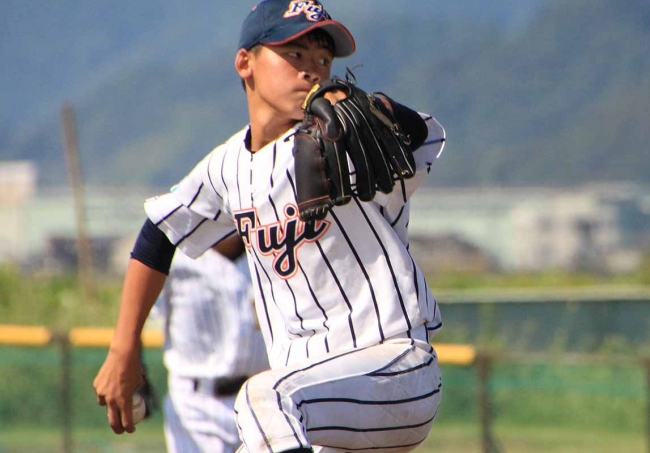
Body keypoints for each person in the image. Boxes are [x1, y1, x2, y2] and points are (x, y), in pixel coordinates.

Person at [94, 1, 447, 452]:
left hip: (391, 368)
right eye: (294, 54)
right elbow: (158, 234)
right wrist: (123, 348)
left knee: (264, 399)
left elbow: (422, 135)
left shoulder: (346, 137)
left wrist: (378, 106)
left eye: (323, 59)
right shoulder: (227, 166)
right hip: (313, 398)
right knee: (267, 418)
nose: (311, 70)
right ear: (246, 63)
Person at [151, 236, 268, 452]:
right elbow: (137, 316)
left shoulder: (269, 249)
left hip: (264, 401)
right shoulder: (172, 253)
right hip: (196, 405)